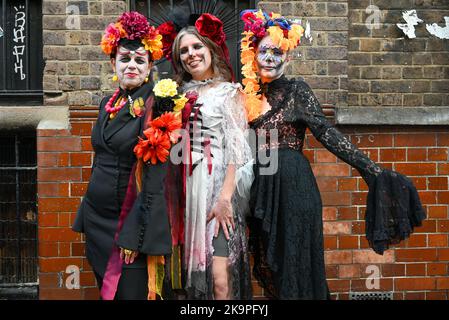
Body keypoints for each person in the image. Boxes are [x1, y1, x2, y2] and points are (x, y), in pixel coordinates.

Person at [240, 10, 426, 299]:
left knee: (296, 268)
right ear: (254, 54)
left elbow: (326, 132)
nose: (270, 58)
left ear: (287, 57)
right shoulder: (247, 95)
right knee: (272, 270)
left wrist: (370, 168)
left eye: (277, 52)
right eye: (264, 50)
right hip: (262, 190)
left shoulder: (296, 91)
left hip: (293, 187)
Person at [72, 11, 170, 300]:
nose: (131, 65)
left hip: (126, 224)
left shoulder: (157, 106)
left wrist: (135, 233)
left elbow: (155, 179)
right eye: (125, 58)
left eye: (140, 60)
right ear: (112, 62)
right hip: (96, 219)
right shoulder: (108, 103)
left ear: (150, 65)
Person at [157, 12, 254, 299]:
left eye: (197, 47)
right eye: (184, 50)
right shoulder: (176, 94)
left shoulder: (230, 92)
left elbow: (239, 149)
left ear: (210, 49)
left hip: (220, 191)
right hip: (186, 193)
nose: (191, 54)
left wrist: (225, 199)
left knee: (219, 279)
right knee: (188, 277)